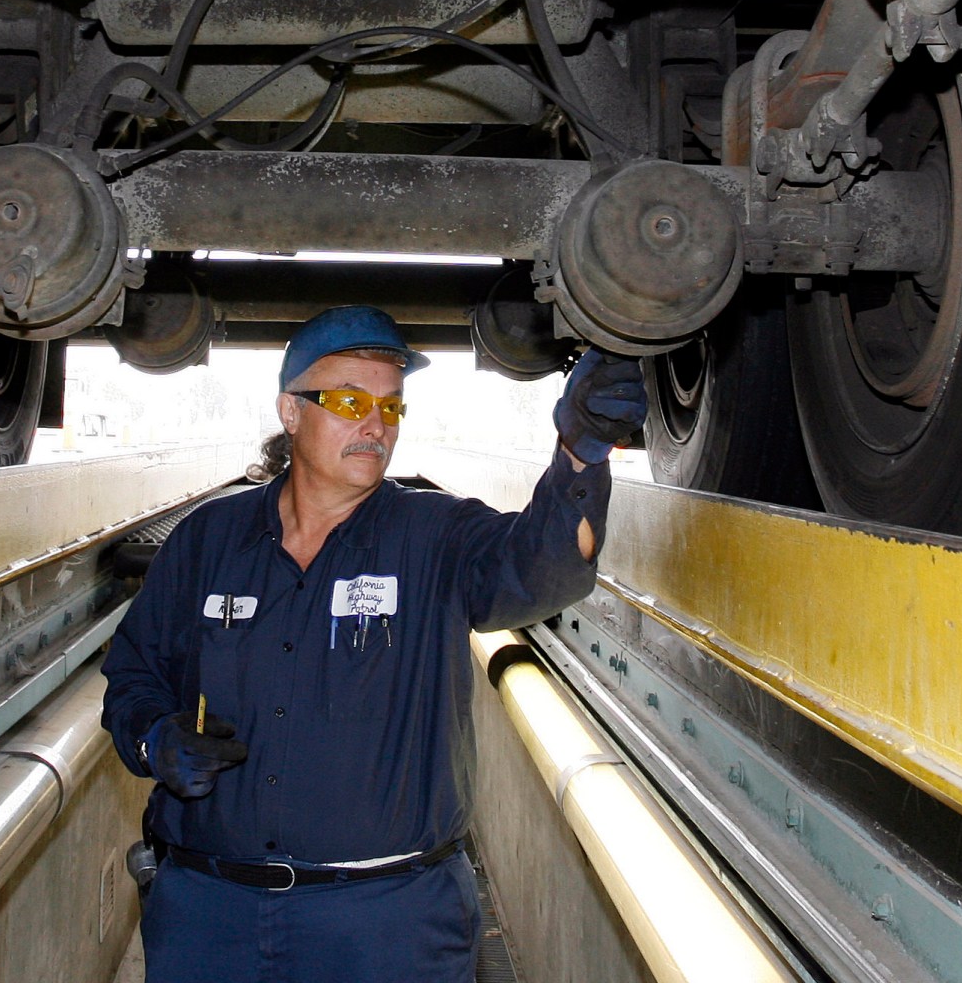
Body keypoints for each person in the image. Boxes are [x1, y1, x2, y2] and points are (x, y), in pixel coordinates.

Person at [100, 304, 646, 982]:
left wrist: (580, 452)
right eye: (350, 400)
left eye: (391, 407)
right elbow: (133, 672)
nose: (375, 424)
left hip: (388, 929)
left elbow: (544, 571)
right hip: (210, 919)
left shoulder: (435, 536)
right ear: (291, 412)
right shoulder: (208, 541)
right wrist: (155, 738)